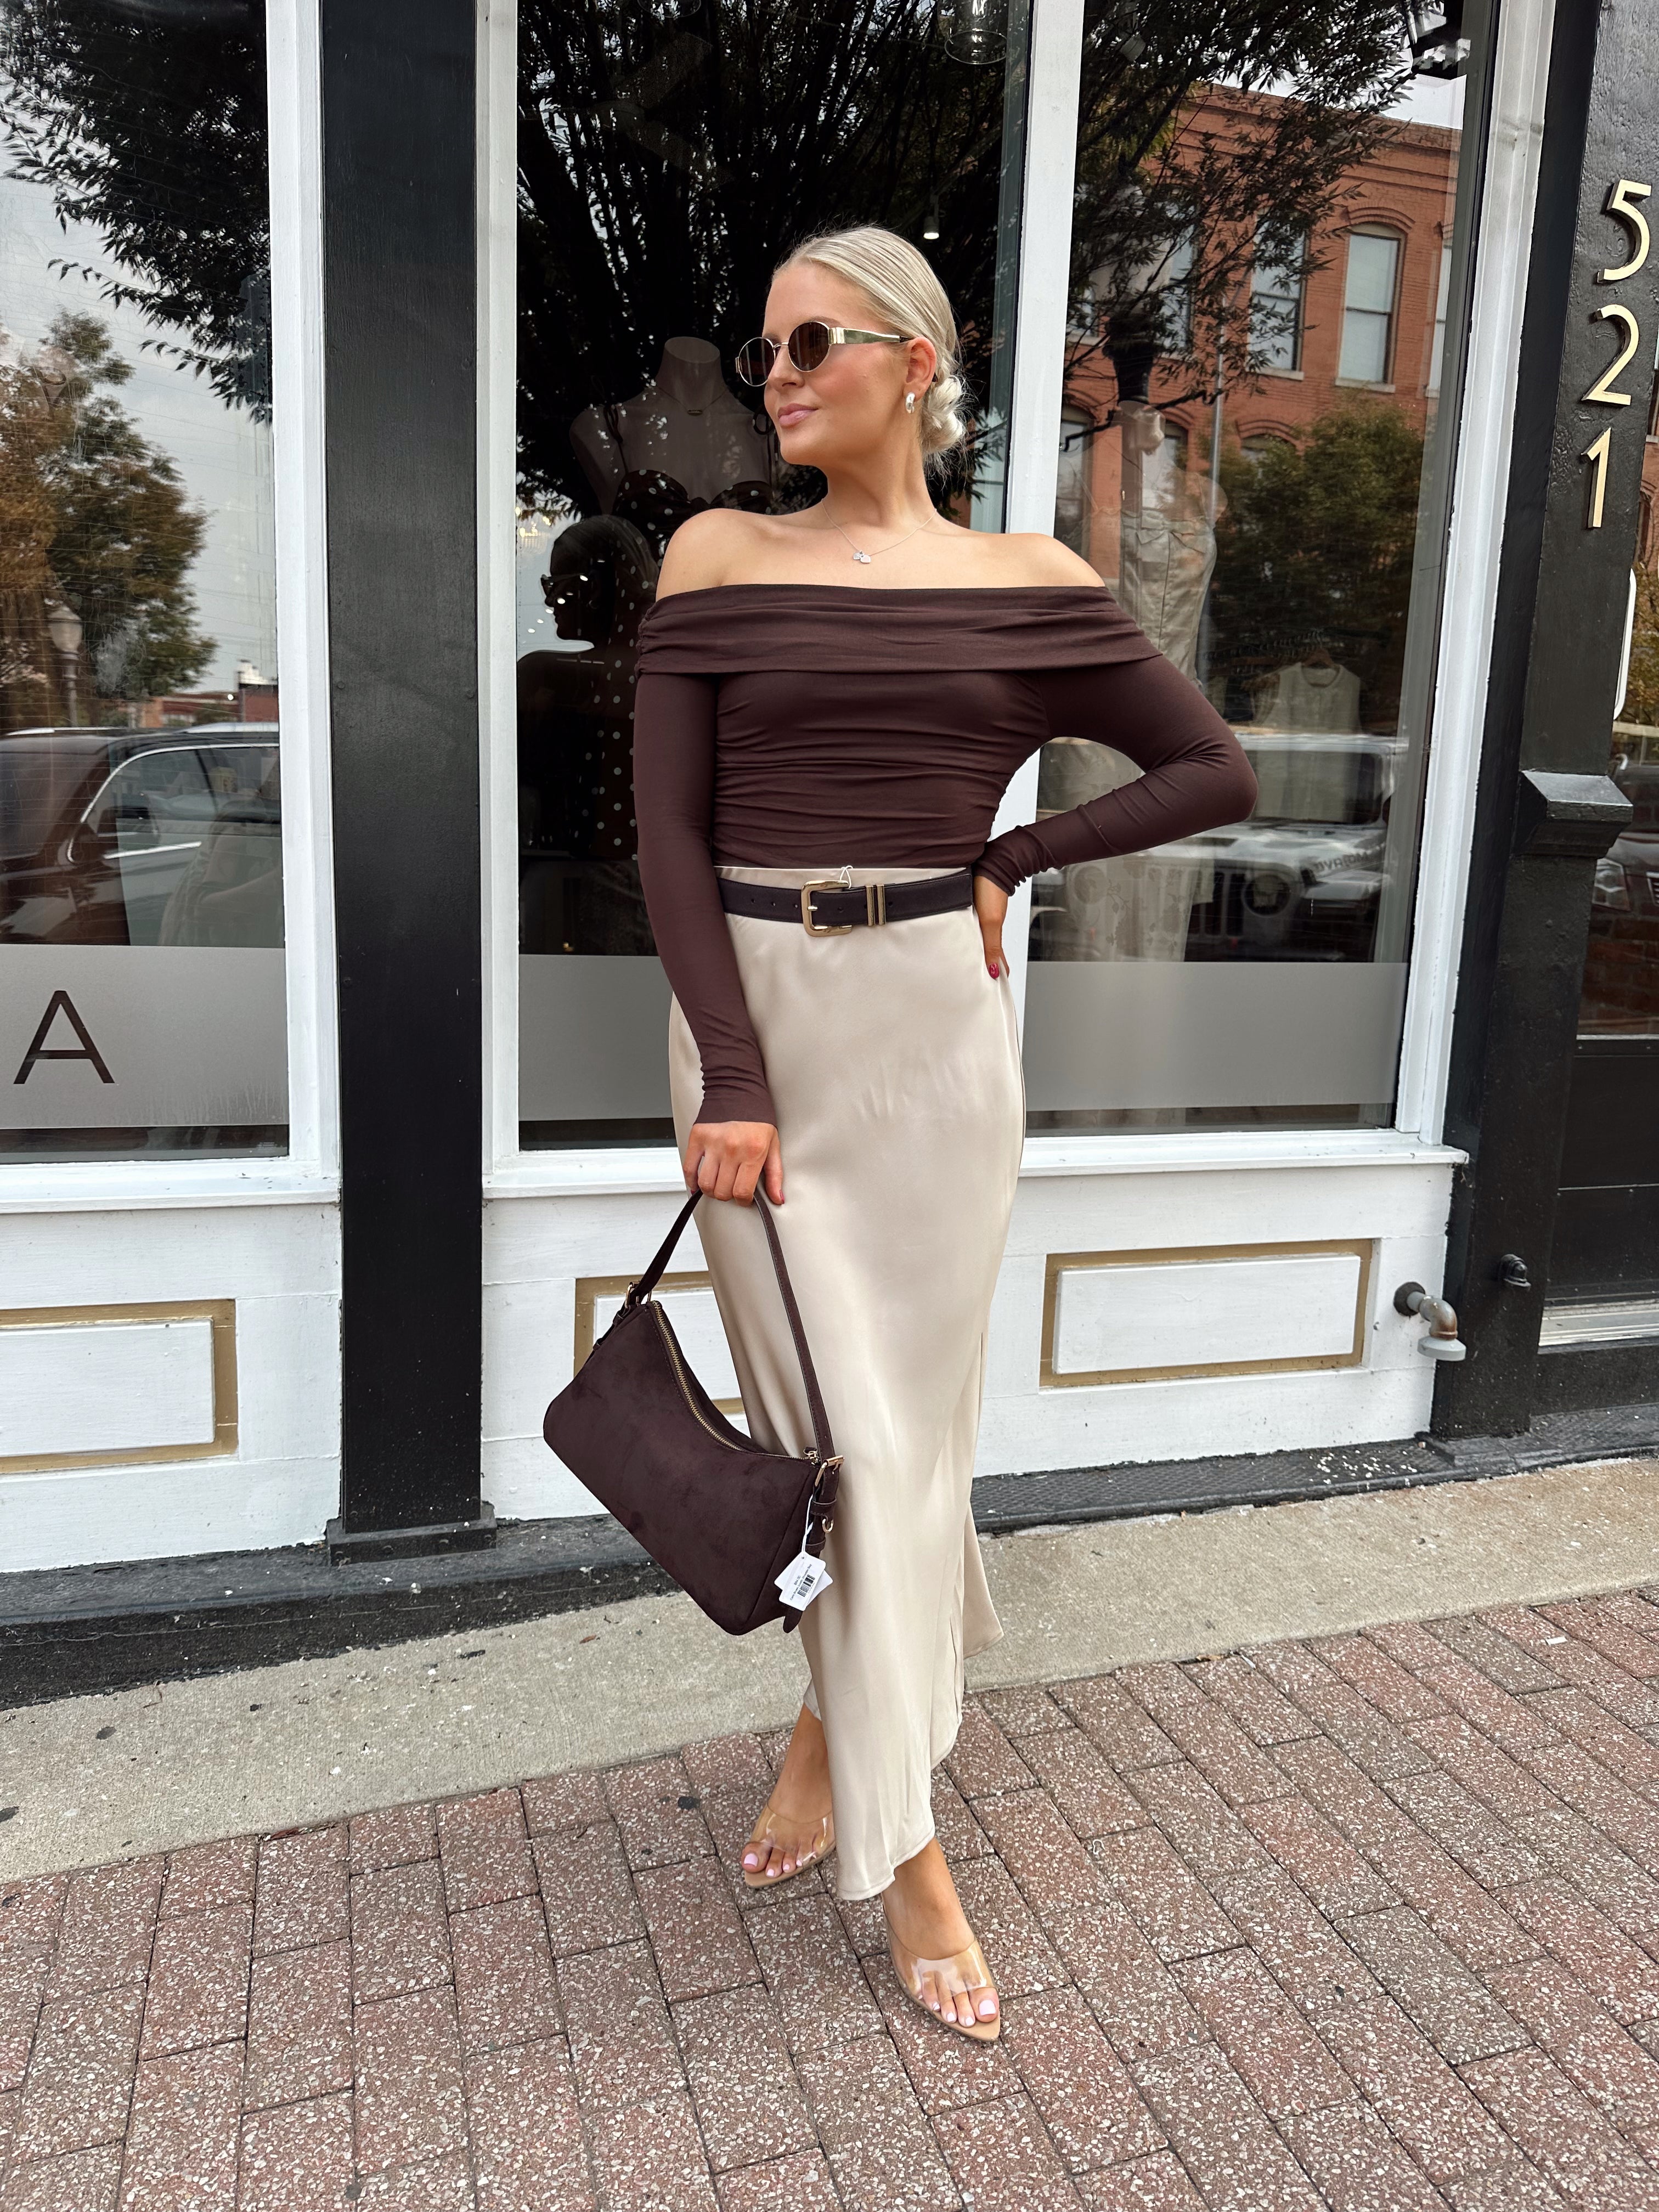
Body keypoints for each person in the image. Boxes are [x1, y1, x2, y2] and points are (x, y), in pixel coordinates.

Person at [631, 226, 1257, 2042]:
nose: (779, 369)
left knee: (904, 1439)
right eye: (765, 348)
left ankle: (840, 1745)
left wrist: (1013, 854)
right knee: (836, 1433)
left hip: (933, 1037)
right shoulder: (719, 555)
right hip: (757, 1028)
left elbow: (1209, 768)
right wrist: (733, 1077)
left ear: (918, 359)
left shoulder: (1027, 575)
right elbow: (670, 842)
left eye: (814, 338)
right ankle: (912, 1855)